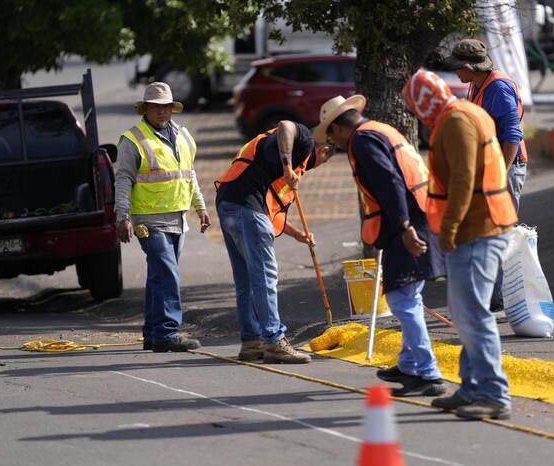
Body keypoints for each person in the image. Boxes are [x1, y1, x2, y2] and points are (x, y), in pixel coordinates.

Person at [314, 95, 447, 397]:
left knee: (402, 300)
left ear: (338, 126)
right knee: (407, 296)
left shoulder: (362, 140)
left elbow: (390, 183)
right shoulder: (379, 129)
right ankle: (410, 365)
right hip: (421, 216)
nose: (333, 141)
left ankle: (427, 373)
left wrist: (403, 227)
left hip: (409, 223)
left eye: (331, 134)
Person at [403, 70, 517, 419]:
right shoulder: (463, 113)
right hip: (481, 225)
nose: (416, 116)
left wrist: (448, 230)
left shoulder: (455, 121)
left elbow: (465, 179)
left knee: (474, 315)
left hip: (476, 229)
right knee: (468, 315)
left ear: (424, 103)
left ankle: (493, 395)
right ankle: (471, 388)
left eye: (415, 107)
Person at [214, 120, 334, 364]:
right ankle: (274, 341)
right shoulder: (304, 141)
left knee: (247, 279)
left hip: (229, 204)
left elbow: (266, 214)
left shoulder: (274, 161)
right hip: (245, 206)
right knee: (264, 278)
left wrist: (296, 233)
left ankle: (251, 342)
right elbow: (285, 126)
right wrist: (288, 166)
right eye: (323, 162)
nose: (316, 167)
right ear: (323, 151)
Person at [114, 82, 210, 353]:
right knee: (168, 274)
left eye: (166, 106)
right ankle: (168, 332)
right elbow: (122, 180)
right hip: (148, 220)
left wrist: (200, 208)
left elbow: (188, 175)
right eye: (156, 107)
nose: (162, 111)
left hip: (178, 218)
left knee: (158, 276)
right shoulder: (133, 140)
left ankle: (153, 334)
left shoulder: (183, 136)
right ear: (146, 109)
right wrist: (122, 217)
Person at [442, 38, 528, 315]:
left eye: (458, 67)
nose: (455, 73)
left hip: (506, 169)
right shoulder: (477, 84)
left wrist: (500, 174)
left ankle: (502, 301)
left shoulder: (498, 87)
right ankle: (492, 299)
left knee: (499, 234)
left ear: (470, 66)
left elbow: (513, 133)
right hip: (490, 169)